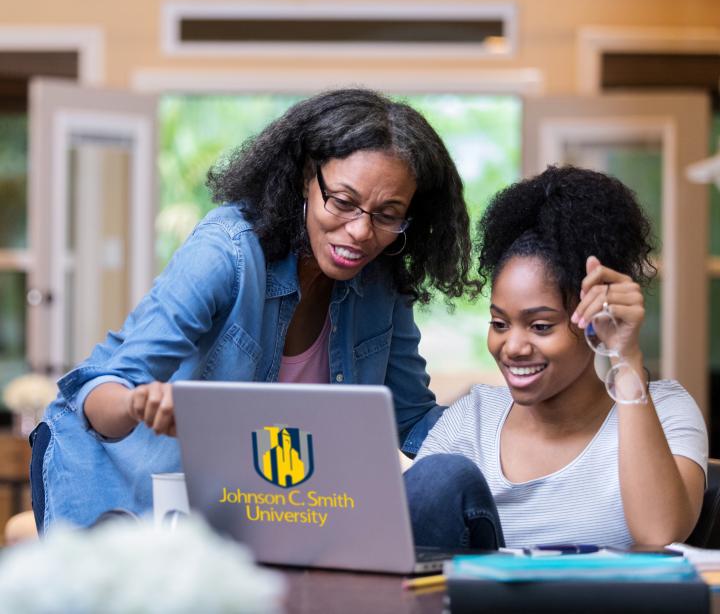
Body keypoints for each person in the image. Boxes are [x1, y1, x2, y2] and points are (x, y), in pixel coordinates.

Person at [31, 88, 479, 531]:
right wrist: (138, 402)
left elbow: (413, 420)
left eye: (387, 214)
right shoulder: (227, 250)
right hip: (117, 481)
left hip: (249, 497)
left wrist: (507, 424)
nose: (361, 231)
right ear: (307, 176)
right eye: (342, 201)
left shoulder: (381, 281)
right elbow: (99, 399)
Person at [405, 165, 708, 550]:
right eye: (499, 323)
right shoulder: (472, 418)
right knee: (437, 477)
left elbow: (659, 535)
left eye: (541, 326)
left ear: (593, 320)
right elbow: (406, 527)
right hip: (470, 603)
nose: (512, 346)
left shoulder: (665, 410)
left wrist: (626, 358)